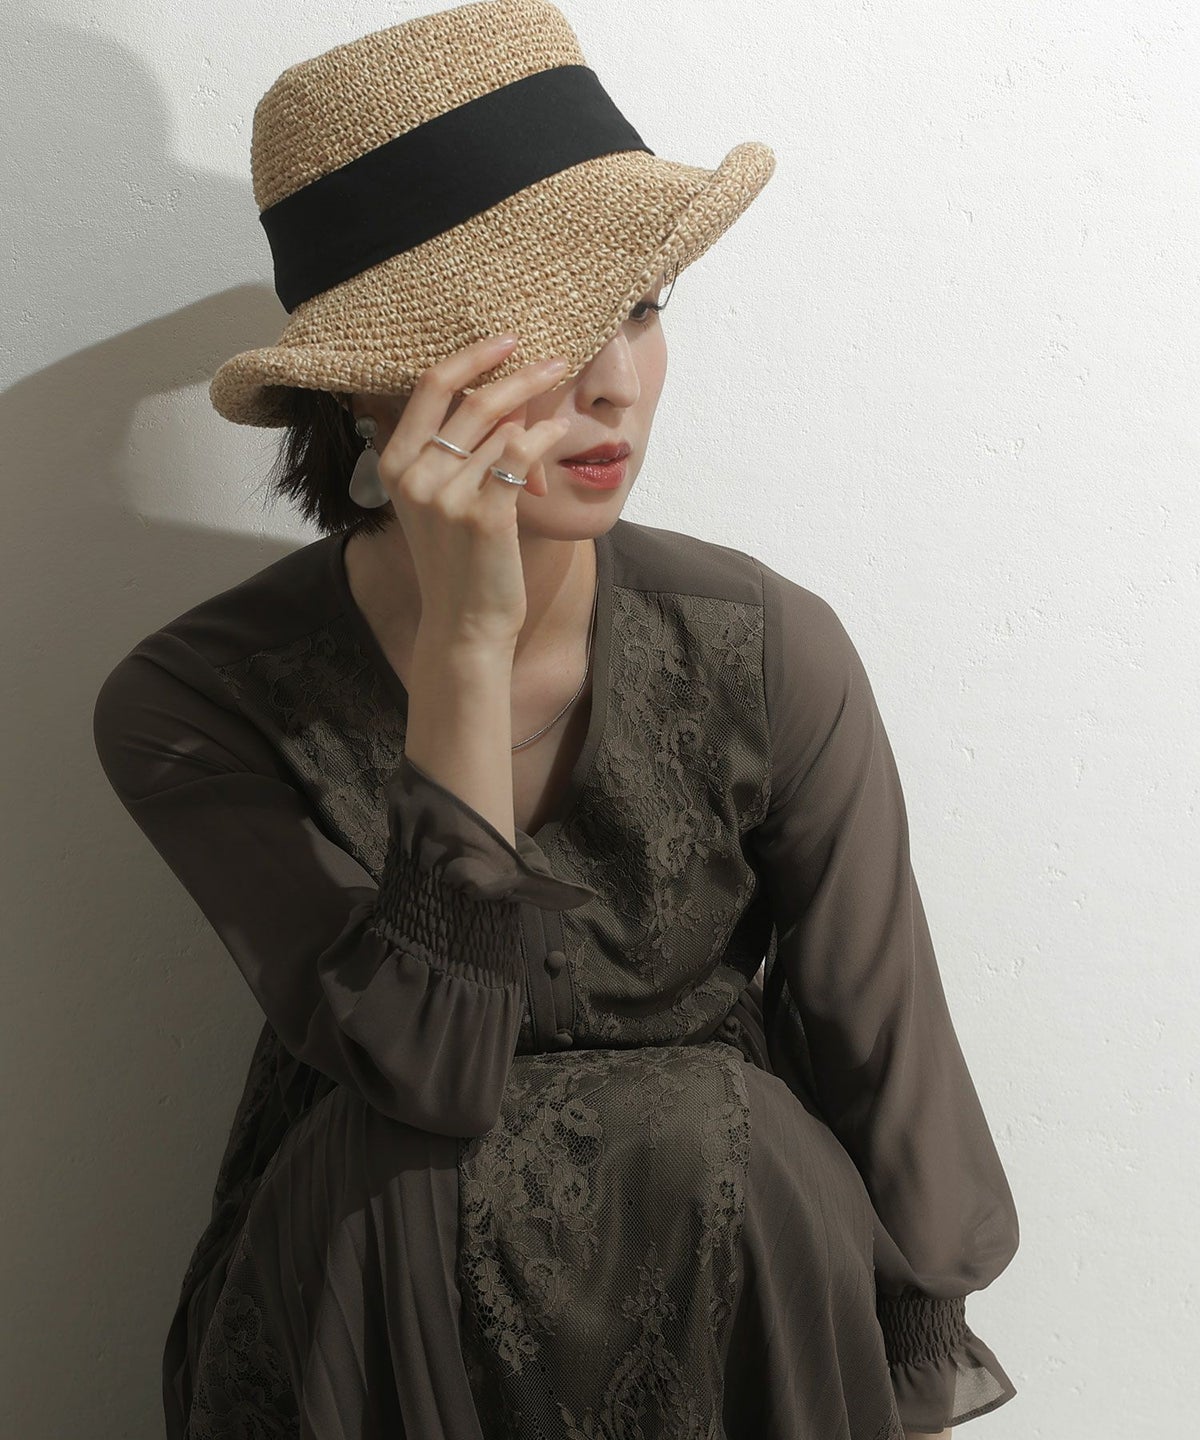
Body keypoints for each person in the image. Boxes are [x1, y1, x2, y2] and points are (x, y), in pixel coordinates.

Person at [91, 4, 1020, 1437]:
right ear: (377, 384)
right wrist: (468, 642)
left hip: (728, 1249)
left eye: (639, 307)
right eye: (547, 325)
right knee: (395, 1166)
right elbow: (430, 1074)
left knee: (724, 1134)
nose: (615, 384)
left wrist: (906, 1342)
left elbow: (880, 1046)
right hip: (382, 1282)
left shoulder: (766, 648)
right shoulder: (194, 701)